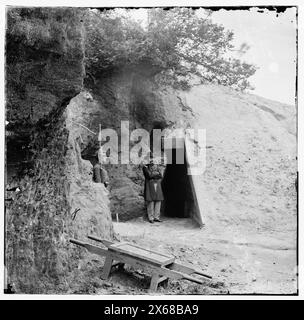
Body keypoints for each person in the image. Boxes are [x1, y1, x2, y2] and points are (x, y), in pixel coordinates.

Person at [142, 158, 164, 223]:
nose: (152, 161)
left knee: (158, 200)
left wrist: (153, 175)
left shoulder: (156, 166)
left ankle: (156, 217)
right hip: (149, 185)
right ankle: (150, 218)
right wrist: (155, 174)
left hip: (157, 184)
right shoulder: (145, 168)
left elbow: (160, 175)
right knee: (150, 201)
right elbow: (148, 176)